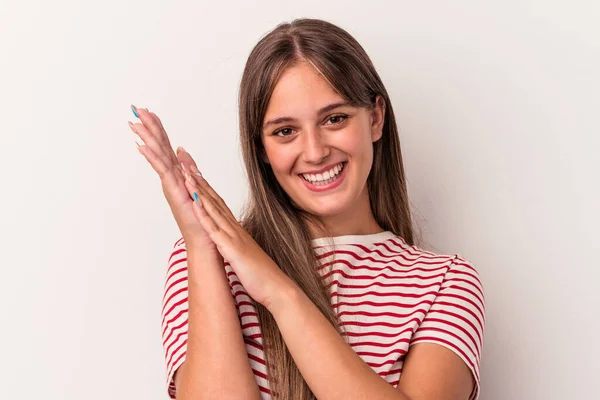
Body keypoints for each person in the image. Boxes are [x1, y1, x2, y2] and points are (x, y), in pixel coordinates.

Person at [129, 18, 485, 400]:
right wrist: (202, 246)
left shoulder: (444, 284)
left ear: (376, 118)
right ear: (262, 149)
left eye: (335, 119)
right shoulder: (203, 262)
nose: (315, 152)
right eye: (285, 131)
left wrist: (278, 292)